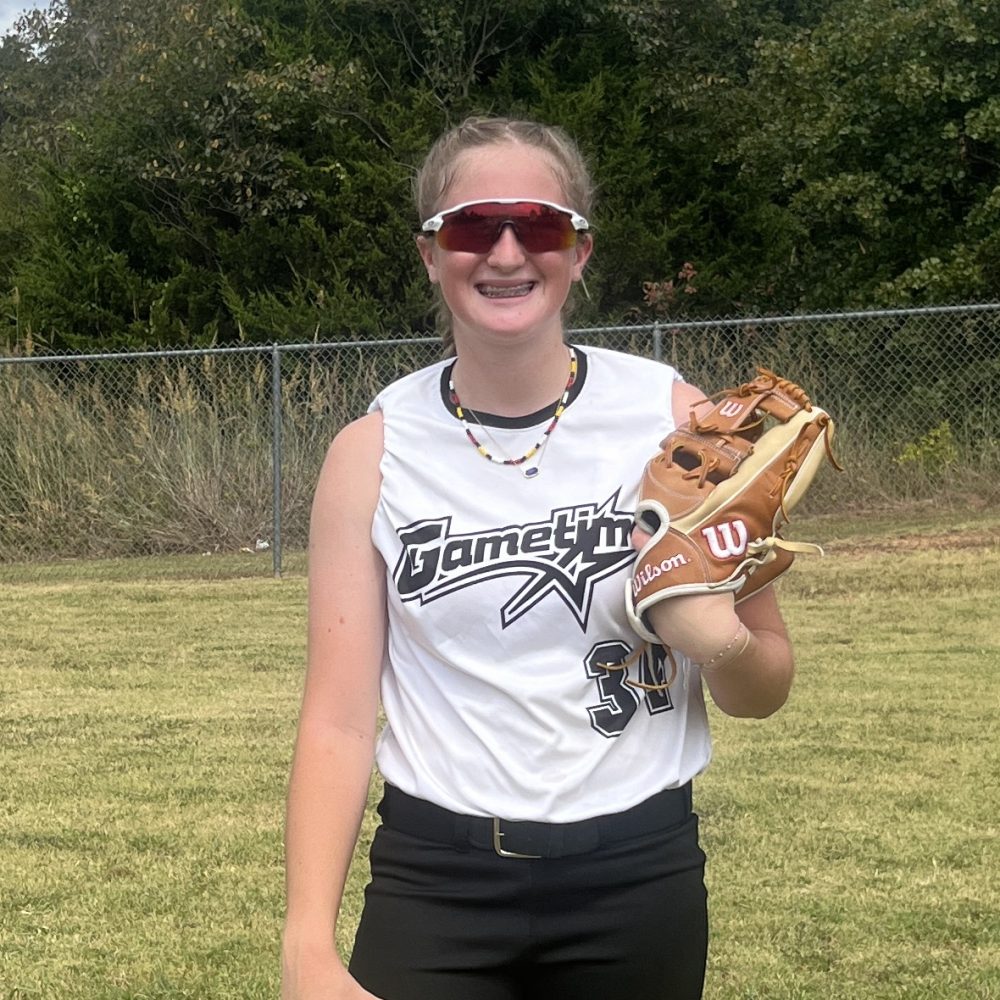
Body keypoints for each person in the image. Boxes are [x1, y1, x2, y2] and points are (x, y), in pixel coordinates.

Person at [281, 115, 795, 1000]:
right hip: (436, 879)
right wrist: (306, 948)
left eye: (541, 225)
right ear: (430, 253)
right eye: (474, 226)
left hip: (638, 875)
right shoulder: (372, 452)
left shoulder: (680, 424)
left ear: (580, 251)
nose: (508, 252)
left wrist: (719, 641)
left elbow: (764, 688)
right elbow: (339, 720)